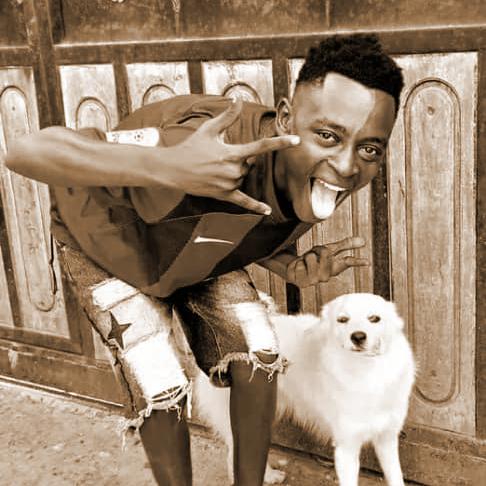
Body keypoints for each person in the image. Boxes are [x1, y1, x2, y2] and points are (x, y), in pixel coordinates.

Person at [5, 34, 403, 486]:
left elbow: (238, 223)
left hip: (188, 253)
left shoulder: (309, 178)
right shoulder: (209, 139)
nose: (348, 166)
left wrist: (287, 265)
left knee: (259, 355)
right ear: (286, 118)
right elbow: (26, 152)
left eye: (369, 148)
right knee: (160, 384)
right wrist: (169, 165)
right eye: (328, 136)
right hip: (103, 244)